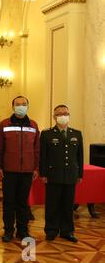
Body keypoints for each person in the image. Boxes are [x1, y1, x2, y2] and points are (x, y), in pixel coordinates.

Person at [0, 96, 40, 242]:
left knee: (23, 203)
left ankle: (23, 231)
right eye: (17, 104)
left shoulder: (33, 125)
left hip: (27, 171)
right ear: (13, 106)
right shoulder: (4, 124)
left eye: (23, 104)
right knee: (8, 203)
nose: (20, 106)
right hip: (9, 171)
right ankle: (8, 230)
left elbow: (37, 149)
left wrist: (36, 168)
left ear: (28, 106)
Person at [40, 104, 83, 243]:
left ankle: (67, 231)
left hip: (71, 175)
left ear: (69, 115)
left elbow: (80, 156)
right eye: (59, 114)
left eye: (65, 113)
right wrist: (43, 174)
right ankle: (51, 230)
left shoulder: (76, 134)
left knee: (68, 205)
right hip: (53, 175)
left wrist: (80, 174)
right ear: (54, 117)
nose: (62, 116)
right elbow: (43, 156)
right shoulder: (47, 134)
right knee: (52, 204)